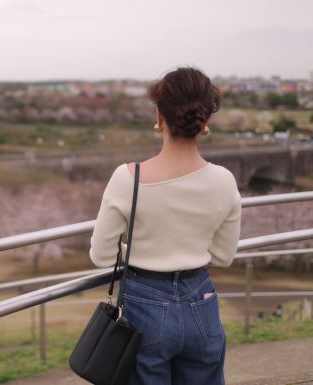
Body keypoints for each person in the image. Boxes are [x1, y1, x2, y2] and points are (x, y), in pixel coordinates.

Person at [89, 67, 241, 385]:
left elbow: (102, 257)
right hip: (202, 303)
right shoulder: (224, 181)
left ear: (159, 117)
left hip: (144, 305)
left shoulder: (128, 178)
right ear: (205, 121)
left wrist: (145, 246)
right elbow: (225, 256)